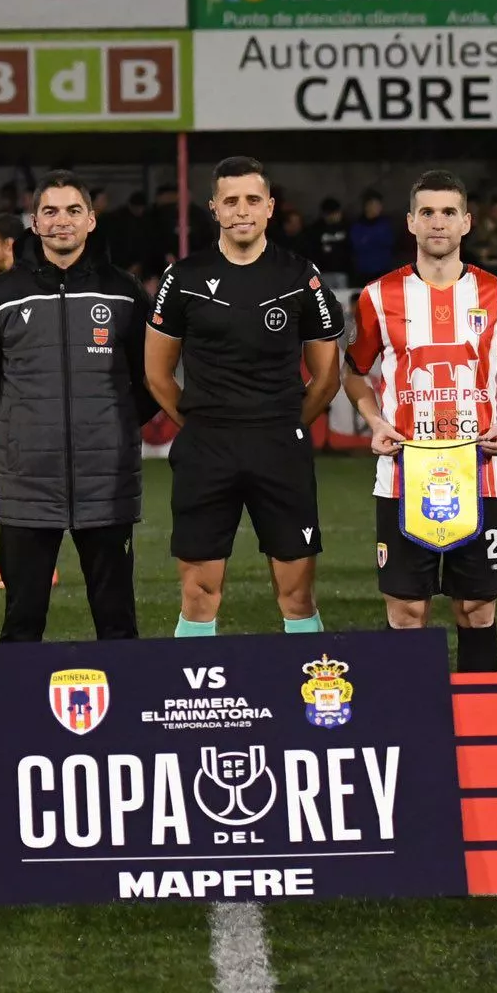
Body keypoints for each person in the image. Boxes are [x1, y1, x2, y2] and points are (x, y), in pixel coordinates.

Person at [341, 172, 497, 674]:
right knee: (406, 612)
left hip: (481, 475)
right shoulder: (379, 297)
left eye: (449, 212)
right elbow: (354, 374)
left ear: (467, 222)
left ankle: (484, 728)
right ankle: (408, 731)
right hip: (403, 475)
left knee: (477, 607)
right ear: (410, 222)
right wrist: (374, 421)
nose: (438, 222)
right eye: (427, 212)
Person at [146, 156, 343, 638]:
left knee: (296, 594)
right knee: (198, 595)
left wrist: (287, 424)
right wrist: (199, 422)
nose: (241, 210)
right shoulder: (184, 277)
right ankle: (196, 702)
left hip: (279, 446)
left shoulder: (299, 276)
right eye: (230, 201)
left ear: (270, 207)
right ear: (213, 208)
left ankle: (310, 699)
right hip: (206, 448)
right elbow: (157, 372)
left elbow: (326, 377)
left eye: (252, 200)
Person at [0, 172, 158, 642]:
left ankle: (126, 712)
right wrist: (17, 430)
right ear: (33, 222)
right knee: (22, 620)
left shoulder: (125, 292)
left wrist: (117, 425)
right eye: (50, 211)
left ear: (91, 219)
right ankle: (15, 715)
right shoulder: (0, 296)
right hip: (28, 484)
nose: (61, 221)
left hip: (107, 483)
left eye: (72, 211)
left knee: (117, 622)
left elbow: (152, 378)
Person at [0, 207, 49, 590]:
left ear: (8, 244)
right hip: (13, 414)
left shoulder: (24, 290)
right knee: (12, 493)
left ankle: (42, 567)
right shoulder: (4, 290)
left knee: (33, 492)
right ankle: (10, 565)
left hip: (30, 416)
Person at [349, 190, 397, 284]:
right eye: (375, 205)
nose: (378, 208)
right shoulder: (357, 226)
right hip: (364, 273)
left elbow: (389, 243)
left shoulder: (386, 225)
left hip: (384, 272)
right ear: (367, 206)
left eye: (379, 205)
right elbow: (357, 246)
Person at [310, 196, 353, 281]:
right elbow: (313, 251)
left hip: (342, 272)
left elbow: (350, 249)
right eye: (334, 213)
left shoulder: (346, 226)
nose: (338, 215)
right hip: (323, 272)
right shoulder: (316, 229)